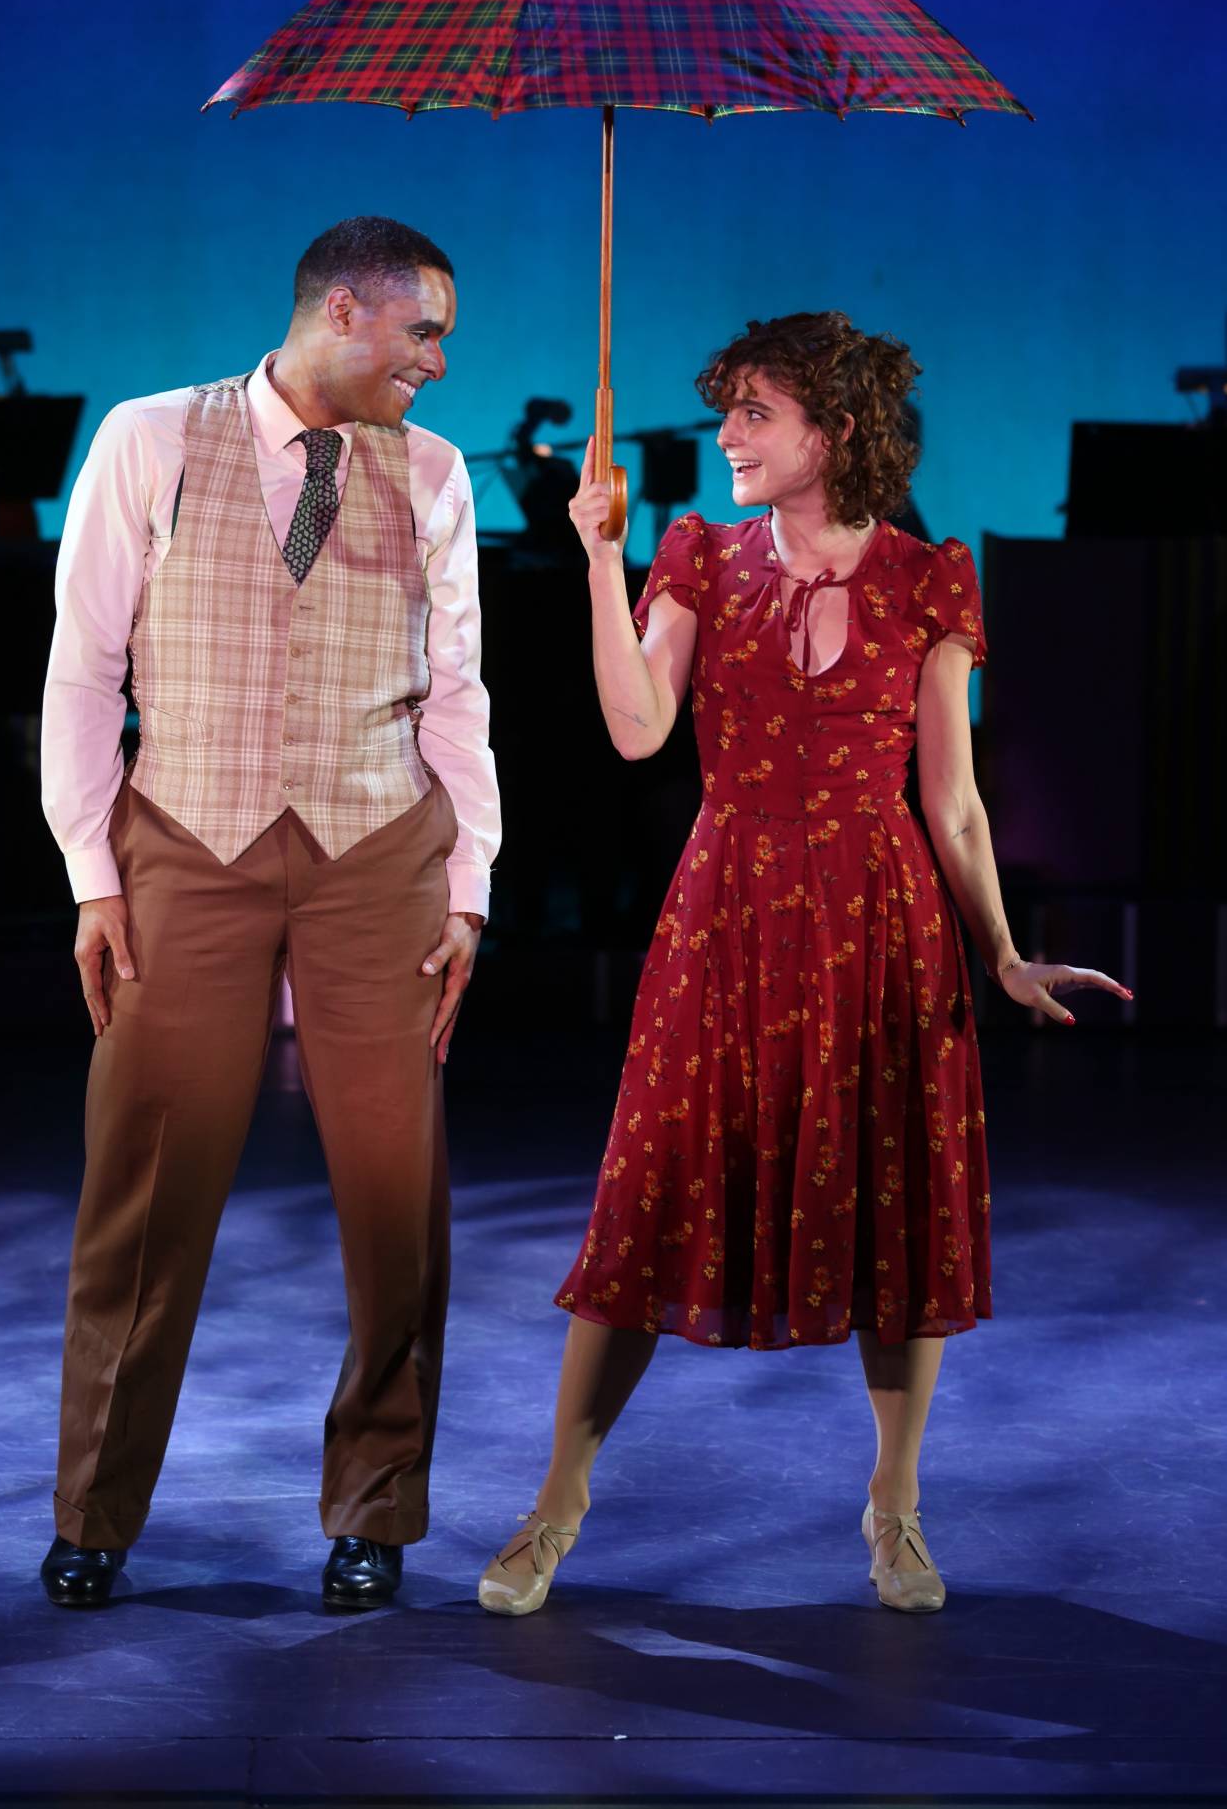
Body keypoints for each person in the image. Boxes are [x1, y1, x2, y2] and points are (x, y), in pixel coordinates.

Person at [478, 311, 1127, 1617]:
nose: (724, 436)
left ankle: (893, 1503)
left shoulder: (926, 576)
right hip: (727, 910)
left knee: (896, 1204)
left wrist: (996, 952)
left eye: (753, 413)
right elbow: (633, 727)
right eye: (727, 411)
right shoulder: (702, 557)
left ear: (833, 431)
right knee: (648, 1196)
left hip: (880, 923)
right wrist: (600, 562)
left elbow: (948, 800)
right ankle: (557, 1500)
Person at [40, 216, 499, 1611]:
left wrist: (469, 887)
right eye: (425, 333)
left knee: (391, 1194)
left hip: (377, 848)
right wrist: (93, 870)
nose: (436, 364)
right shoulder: (151, 437)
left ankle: (374, 1505)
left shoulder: (429, 472)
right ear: (347, 314)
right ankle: (95, 1510)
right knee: (145, 1182)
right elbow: (81, 665)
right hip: (188, 838)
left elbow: (460, 693)